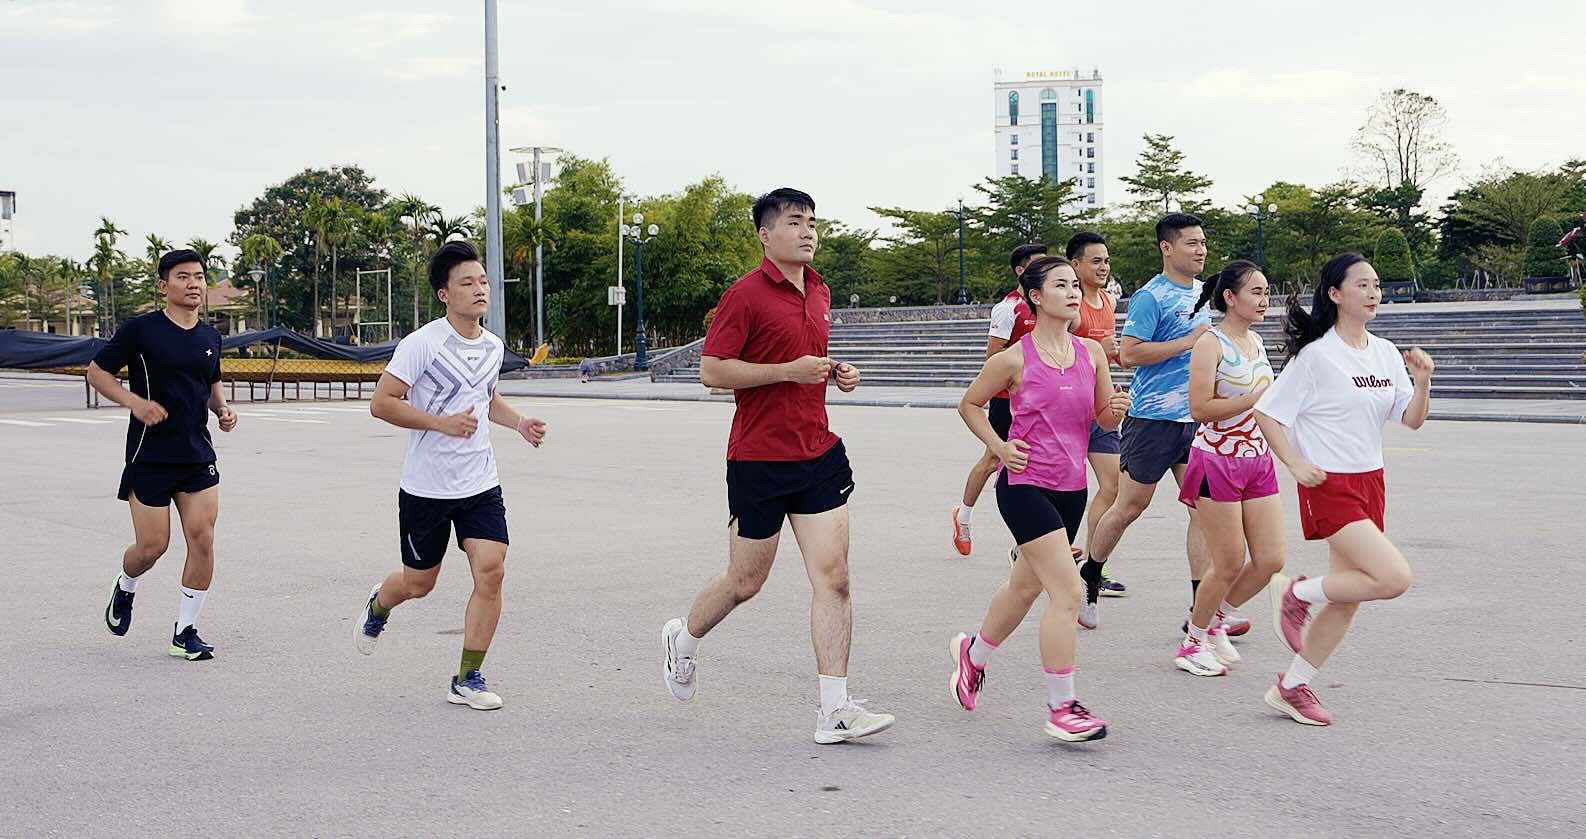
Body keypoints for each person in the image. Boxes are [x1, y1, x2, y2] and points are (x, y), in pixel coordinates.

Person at [660, 188, 894, 744]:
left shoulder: (819, 290)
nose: (808, 231)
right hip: (759, 460)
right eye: (794, 221)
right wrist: (787, 371)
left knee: (834, 579)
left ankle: (834, 710)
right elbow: (713, 371)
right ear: (766, 235)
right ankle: (683, 640)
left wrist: (838, 372)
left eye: (812, 221)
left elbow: (806, 361)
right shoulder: (744, 295)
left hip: (817, 452)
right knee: (745, 582)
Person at [352, 241, 549, 711]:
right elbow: (382, 403)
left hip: (479, 482)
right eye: (467, 283)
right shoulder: (422, 344)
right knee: (419, 584)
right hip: (427, 488)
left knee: (492, 571)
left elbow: (485, 399)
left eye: (483, 281)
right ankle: (380, 603)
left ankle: (467, 678)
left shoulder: (492, 346)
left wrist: (519, 422)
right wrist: (440, 424)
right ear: (444, 294)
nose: (480, 289)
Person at [948, 255, 1129, 741]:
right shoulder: (1012, 359)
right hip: (1025, 486)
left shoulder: (1091, 354)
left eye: (1075, 286)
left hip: (1072, 489)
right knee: (1067, 593)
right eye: (1061, 285)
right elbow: (969, 404)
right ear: (1035, 296)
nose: (1073, 293)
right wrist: (1000, 446)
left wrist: (1116, 409)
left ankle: (972, 656)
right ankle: (1062, 707)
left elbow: (1102, 420)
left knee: (1023, 588)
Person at [1254, 253, 1433, 725]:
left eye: (1376, 285)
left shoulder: (1384, 351)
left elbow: (1410, 419)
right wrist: (1295, 464)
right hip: (1328, 482)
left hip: (1370, 479)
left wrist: (1422, 383)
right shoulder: (1317, 356)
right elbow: (1267, 413)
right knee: (1393, 578)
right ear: (1335, 294)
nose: (1374, 293)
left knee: (1349, 597)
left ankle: (1292, 686)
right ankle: (1296, 592)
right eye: (1362, 285)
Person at [1077, 214, 1247, 635]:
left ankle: (1201, 611)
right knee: (1129, 507)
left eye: (1203, 242)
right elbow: (1130, 353)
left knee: (1203, 511)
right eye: (1192, 243)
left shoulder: (1208, 295)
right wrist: (1188, 342)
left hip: (1198, 420)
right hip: (1152, 420)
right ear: (1167, 248)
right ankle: (1090, 575)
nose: (1201, 250)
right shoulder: (1150, 296)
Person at [89, 249, 238, 661]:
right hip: (150, 454)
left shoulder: (210, 336)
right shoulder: (141, 330)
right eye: (183, 276)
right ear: (163, 285)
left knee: (203, 538)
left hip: (196, 453)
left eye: (199, 277)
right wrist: (134, 402)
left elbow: (211, 380)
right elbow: (97, 373)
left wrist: (222, 409)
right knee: (152, 547)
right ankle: (126, 585)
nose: (193, 284)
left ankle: (185, 632)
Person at [1173, 261, 1285, 677]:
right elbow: (1200, 408)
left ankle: (1216, 619)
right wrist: (1252, 400)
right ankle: (1192, 642)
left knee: (1270, 558)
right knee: (1228, 562)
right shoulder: (1210, 343)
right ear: (1230, 298)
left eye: (1266, 292)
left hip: (1257, 459)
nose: (1264, 300)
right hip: (1217, 460)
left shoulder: (1256, 340)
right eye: (1256, 292)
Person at [951, 244, 1045, 557]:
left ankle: (1038, 538)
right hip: (1008, 400)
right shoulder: (1009, 309)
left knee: (1039, 462)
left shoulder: (1046, 305)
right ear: (1021, 270)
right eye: (1038, 264)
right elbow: (993, 356)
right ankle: (963, 517)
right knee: (994, 459)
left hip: (1041, 400)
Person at [1064, 231, 1127, 597]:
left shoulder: (1107, 301)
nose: (1104, 267)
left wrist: (1116, 353)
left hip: (1101, 407)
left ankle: (1092, 565)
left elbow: (1107, 357)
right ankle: (1031, 551)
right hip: (1070, 410)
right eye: (1096, 261)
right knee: (1063, 490)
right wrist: (1097, 348)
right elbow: (1058, 349)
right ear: (1075, 265)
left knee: (1112, 486)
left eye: (1106, 261)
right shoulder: (1070, 309)